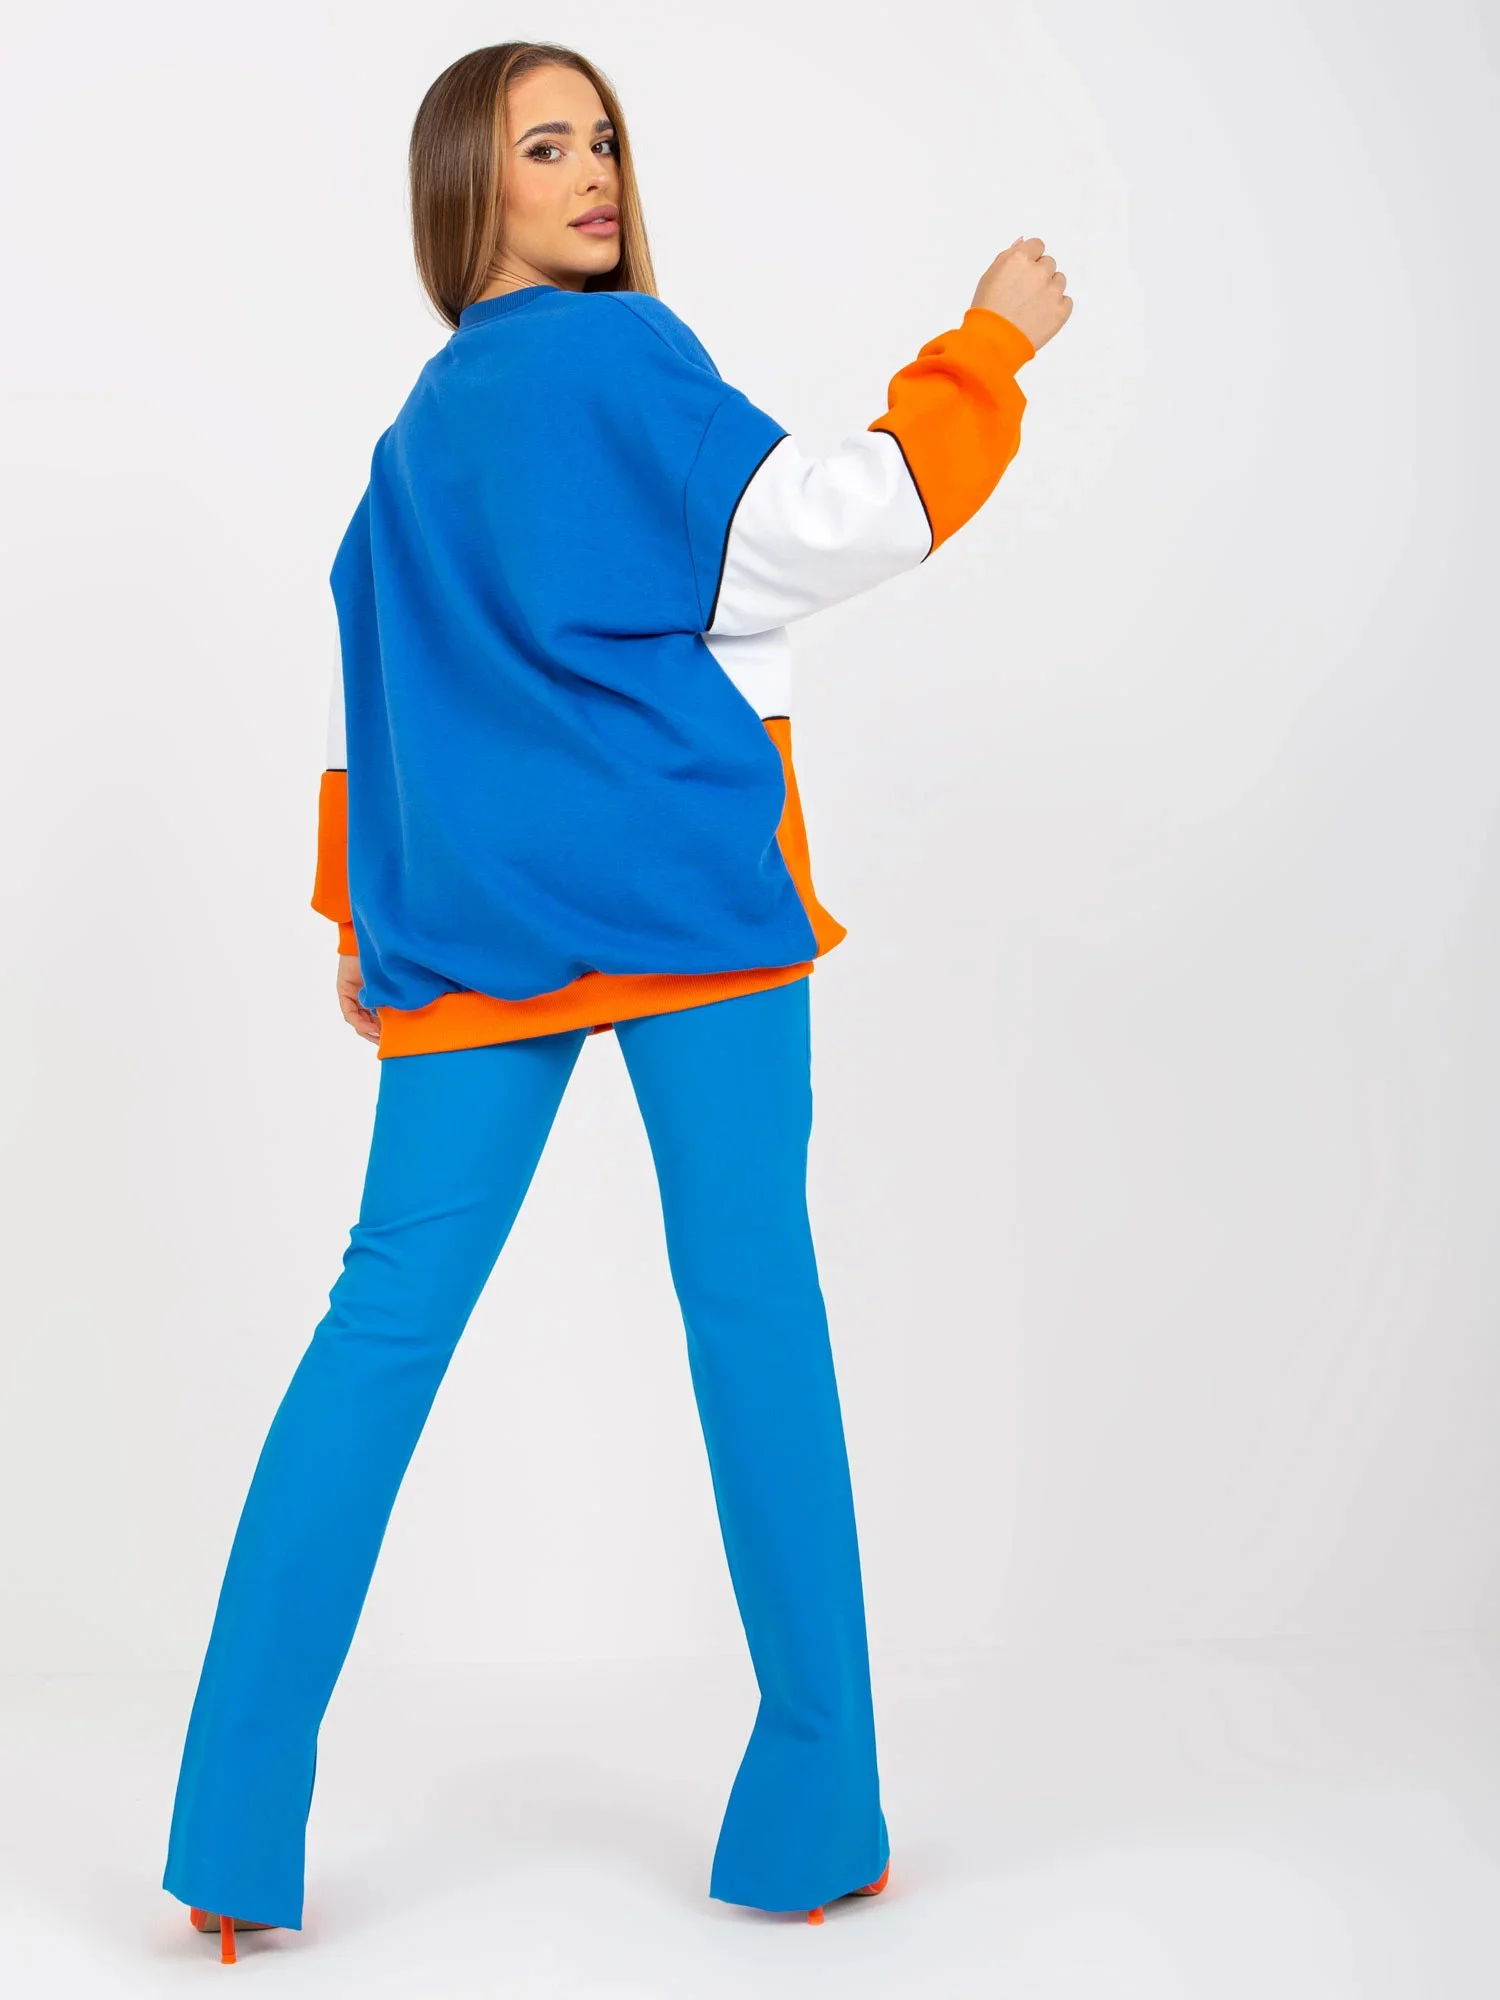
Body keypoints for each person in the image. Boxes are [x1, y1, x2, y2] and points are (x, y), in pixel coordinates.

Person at [162, 38, 1072, 1962]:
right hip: (690, 908)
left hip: (475, 934)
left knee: (375, 1334)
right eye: (542, 147)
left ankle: (229, 1840)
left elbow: (371, 669)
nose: (590, 173)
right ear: (468, 188)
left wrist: (361, 916)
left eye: (602, 139)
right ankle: (814, 1820)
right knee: (755, 1322)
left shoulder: (414, 437)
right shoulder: (631, 356)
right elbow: (830, 523)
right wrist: (987, 343)